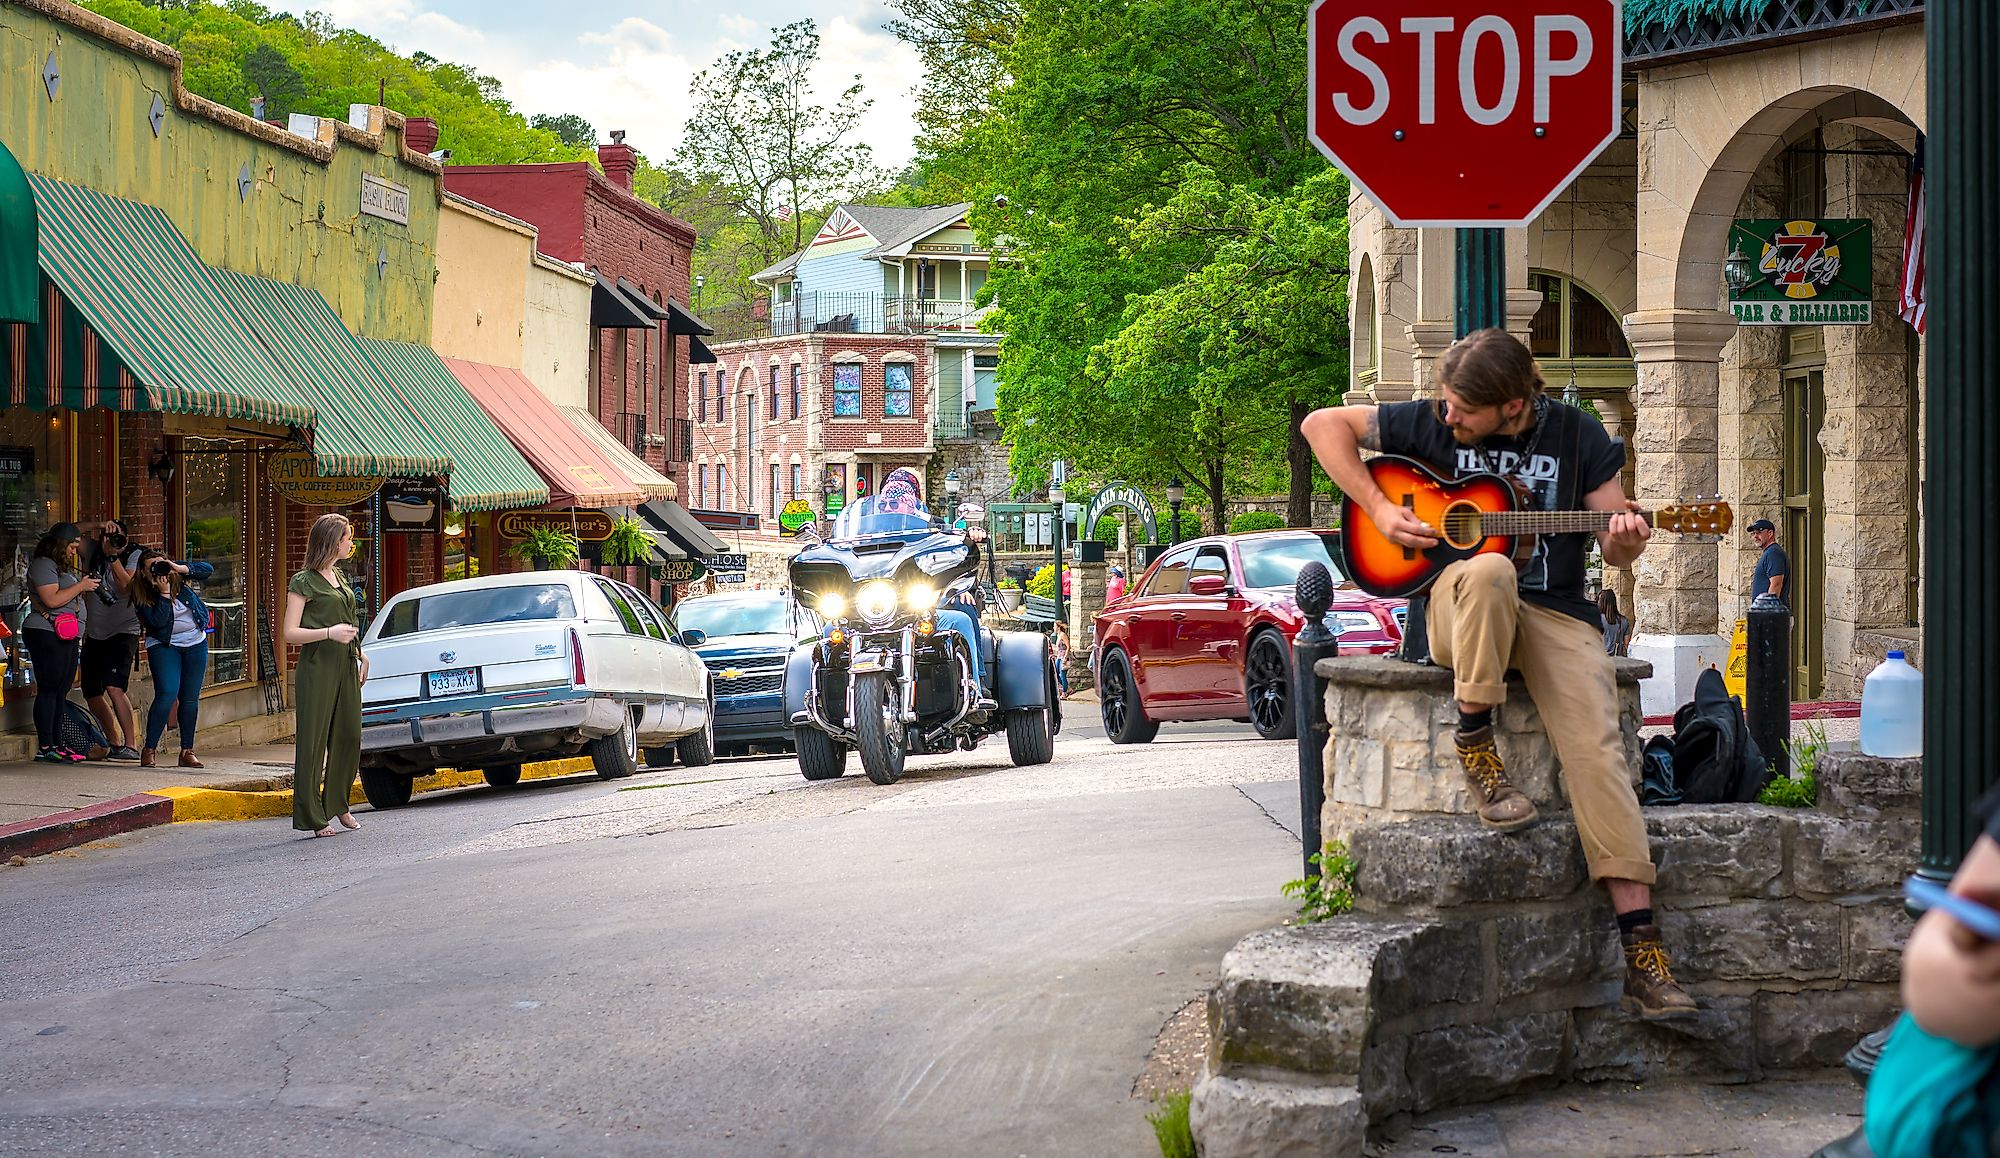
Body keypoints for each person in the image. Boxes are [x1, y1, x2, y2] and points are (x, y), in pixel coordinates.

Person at [1301, 327, 1697, 1020]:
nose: (1446, 418)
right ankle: (1475, 735)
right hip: (1464, 608)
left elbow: (1614, 539)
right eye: (1446, 405)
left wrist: (1625, 541)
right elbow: (1321, 424)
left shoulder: (1577, 435)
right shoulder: (1430, 420)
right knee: (1488, 568)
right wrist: (1379, 506)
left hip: (1556, 615)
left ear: (1512, 406)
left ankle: (1643, 954)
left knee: (1600, 751)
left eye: (1463, 410)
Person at [284, 514, 366, 837]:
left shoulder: (340, 577)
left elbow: (348, 620)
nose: (351, 543)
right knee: (313, 742)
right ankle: (313, 817)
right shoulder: (303, 581)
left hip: (346, 664)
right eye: (347, 537)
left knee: (349, 735)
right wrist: (329, 632)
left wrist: (361, 654)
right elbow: (290, 633)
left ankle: (338, 803)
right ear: (333, 541)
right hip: (317, 668)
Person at [129, 549, 214, 769]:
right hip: (164, 645)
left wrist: (178, 567)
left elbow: (208, 570)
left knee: (190, 698)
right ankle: (149, 749)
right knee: (167, 693)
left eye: (161, 564)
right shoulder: (141, 592)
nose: (159, 570)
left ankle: (187, 750)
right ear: (142, 572)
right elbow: (157, 622)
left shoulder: (176, 574)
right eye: (152, 567)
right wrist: (164, 594)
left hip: (195, 642)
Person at [24, 523, 99, 763]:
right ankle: (45, 746)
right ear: (60, 543)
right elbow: (51, 599)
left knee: (60, 691)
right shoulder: (43, 564)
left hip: (67, 635)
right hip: (46, 632)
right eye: (72, 546)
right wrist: (82, 586)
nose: (74, 551)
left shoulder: (61, 567)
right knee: (48, 689)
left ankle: (58, 744)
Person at [81, 519, 146, 761]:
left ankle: (130, 745)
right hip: (95, 633)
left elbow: (126, 586)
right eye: (109, 536)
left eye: (118, 536)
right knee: (91, 691)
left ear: (126, 539)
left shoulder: (133, 554)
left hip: (123, 631)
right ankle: (113, 742)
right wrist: (98, 524)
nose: (112, 540)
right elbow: (63, 532)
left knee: (114, 687)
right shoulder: (93, 550)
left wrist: (113, 556)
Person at [1747, 518, 1789, 605]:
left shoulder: (1773, 553)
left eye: (1759, 532)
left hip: (1774, 615)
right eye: (1753, 533)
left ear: (1770, 533)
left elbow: (1776, 584)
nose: (1755, 536)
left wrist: (1767, 612)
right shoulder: (1770, 552)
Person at [1599, 588, 1631, 658]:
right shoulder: (1624, 620)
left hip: (1600, 660)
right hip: (1617, 661)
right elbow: (1627, 644)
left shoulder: (1597, 619)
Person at [1051, 622, 1071, 697]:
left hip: (1063, 656)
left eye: (1054, 626)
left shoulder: (1063, 635)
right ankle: (1067, 688)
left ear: (1058, 627)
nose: (1053, 628)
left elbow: (1068, 646)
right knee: (1056, 673)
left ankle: (1064, 692)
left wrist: (1065, 657)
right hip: (1059, 656)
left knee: (1063, 675)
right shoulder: (1058, 635)